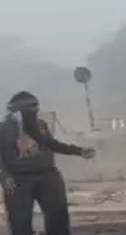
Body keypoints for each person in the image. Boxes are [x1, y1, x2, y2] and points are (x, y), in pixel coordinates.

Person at [0, 91, 96, 235]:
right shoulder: (3, 129)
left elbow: (51, 144)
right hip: (18, 179)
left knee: (58, 217)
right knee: (20, 221)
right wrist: (5, 176)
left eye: (35, 107)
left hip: (48, 175)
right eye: (29, 108)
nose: (34, 111)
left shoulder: (40, 125)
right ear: (16, 110)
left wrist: (79, 151)